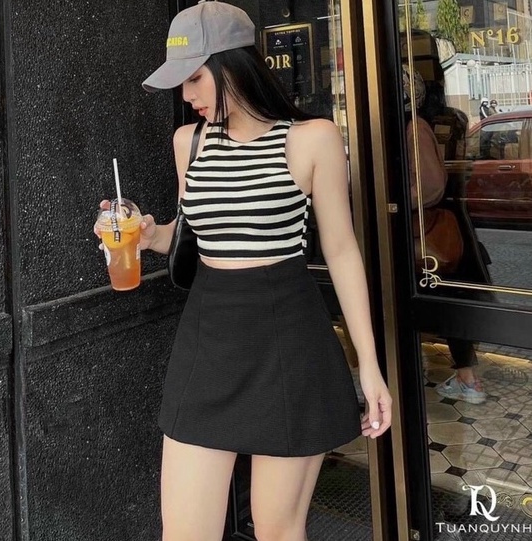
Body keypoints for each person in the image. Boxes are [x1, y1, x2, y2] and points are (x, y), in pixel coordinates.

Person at [96, 2, 392, 540]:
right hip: (208, 339)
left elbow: (343, 251)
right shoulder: (189, 142)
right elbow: (193, 233)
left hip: (287, 340)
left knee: (277, 531)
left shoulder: (312, 138)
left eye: (194, 78)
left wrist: (369, 366)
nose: (187, 96)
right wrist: (145, 233)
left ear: (232, 65)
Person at [402, 65, 486, 405]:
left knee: (443, 300)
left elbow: (430, 185)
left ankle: (467, 379)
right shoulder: (424, 123)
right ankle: (463, 377)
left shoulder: (414, 127)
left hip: (426, 231)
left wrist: (392, 201)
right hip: (433, 228)